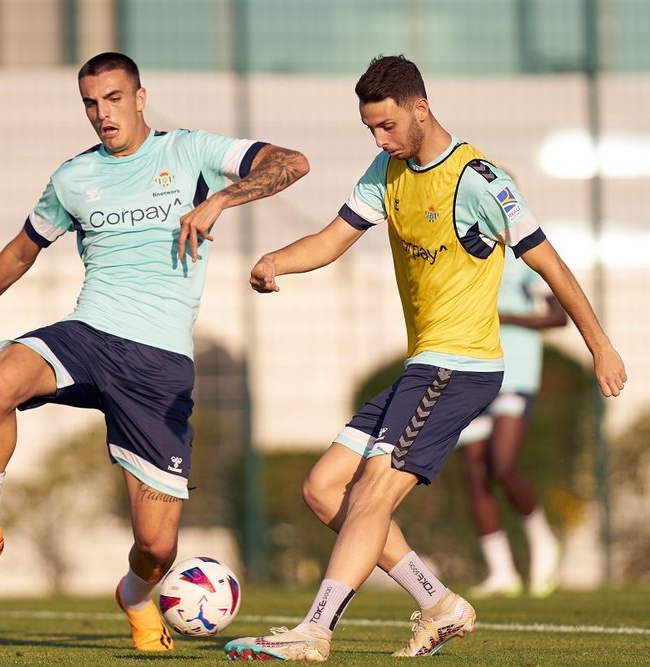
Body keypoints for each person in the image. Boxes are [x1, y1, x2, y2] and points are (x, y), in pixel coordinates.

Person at [224, 55, 625, 662]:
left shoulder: (479, 180)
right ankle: (439, 604)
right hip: (424, 367)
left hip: (460, 366)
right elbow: (333, 239)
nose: (380, 140)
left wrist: (600, 344)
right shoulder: (386, 170)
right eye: (370, 130)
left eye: (386, 126)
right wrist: (276, 260)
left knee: (373, 494)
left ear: (421, 106)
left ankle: (315, 631)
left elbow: (551, 265)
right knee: (324, 488)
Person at [0, 52, 309, 654]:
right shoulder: (74, 177)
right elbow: (22, 250)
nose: (103, 114)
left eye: (114, 99)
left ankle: (135, 595)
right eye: (91, 104)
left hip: (158, 366)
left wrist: (221, 200)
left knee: (156, 548)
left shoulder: (190, 151)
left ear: (141, 97)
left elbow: (292, 163)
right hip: (90, 335)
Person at [455, 250, 568, 599]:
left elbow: (558, 316)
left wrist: (503, 317)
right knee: (474, 470)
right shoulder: (457, 253)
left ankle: (543, 541)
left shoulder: (522, 258)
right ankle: (501, 571)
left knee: (502, 465)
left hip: (514, 373)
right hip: (469, 372)